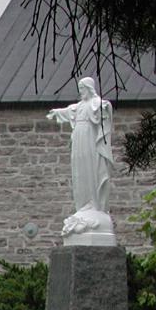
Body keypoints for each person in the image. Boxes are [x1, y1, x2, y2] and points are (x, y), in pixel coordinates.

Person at [47, 77, 115, 215]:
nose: (81, 92)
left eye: (83, 89)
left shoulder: (96, 103)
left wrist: (105, 107)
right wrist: (56, 112)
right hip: (78, 140)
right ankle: (83, 203)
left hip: (90, 139)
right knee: (80, 170)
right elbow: (67, 111)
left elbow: (105, 108)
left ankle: (94, 203)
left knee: (91, 168)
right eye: (80, 89)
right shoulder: (79, 106)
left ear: (89, 88)